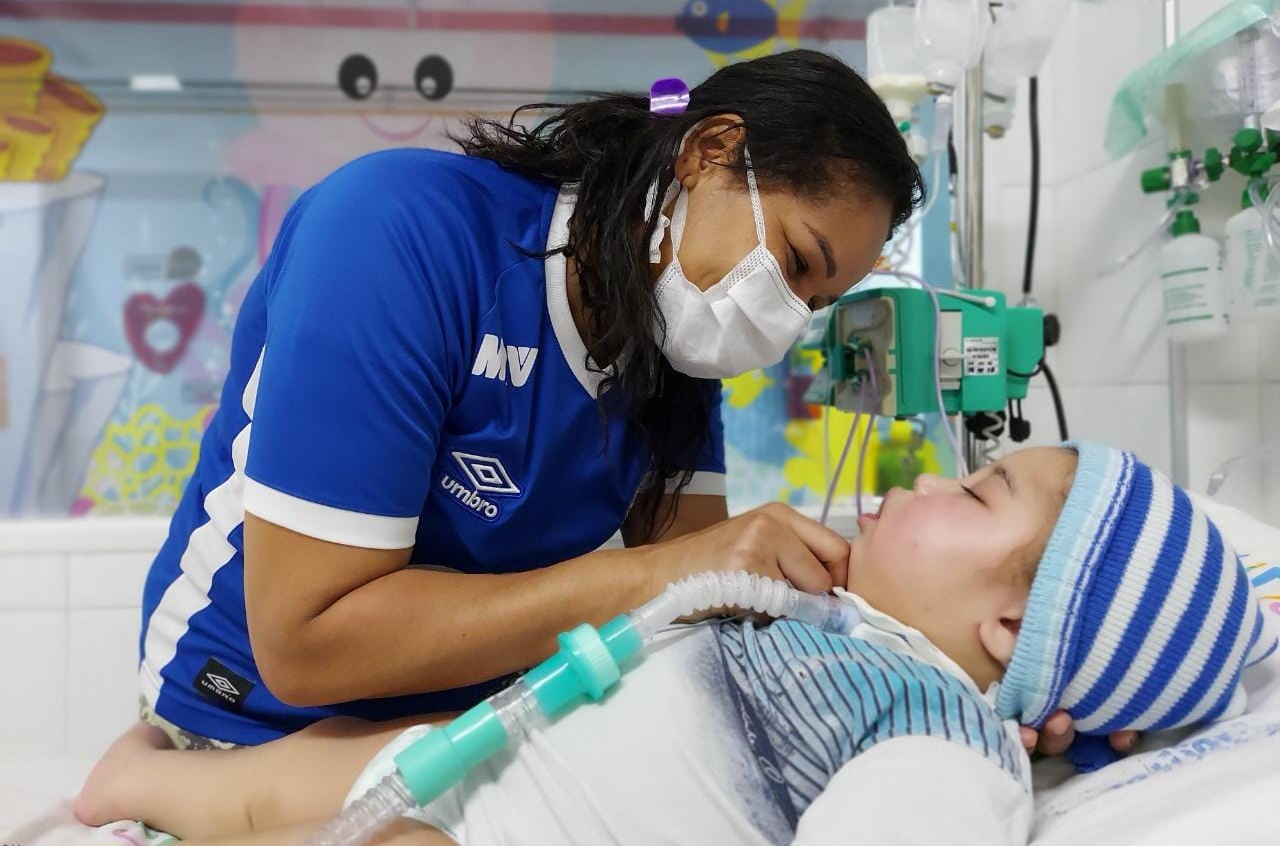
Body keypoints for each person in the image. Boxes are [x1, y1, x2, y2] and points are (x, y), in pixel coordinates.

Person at [128, 48, 923, 753]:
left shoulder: (670, 347)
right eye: (795, 260)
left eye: (814, 303)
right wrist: (672, 570)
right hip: (248, 715)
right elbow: (306, 645)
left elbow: (703, 608)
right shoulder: (398, 235)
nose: (782, 319)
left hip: (450, 729)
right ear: (708, 151)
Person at [76, 443, 1273, 845]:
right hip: (486, 761)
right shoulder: (826, 615)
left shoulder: (939, 736)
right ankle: (133, 786)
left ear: (1009, 628)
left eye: (970, 493)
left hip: (510, 829)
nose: (916, 482)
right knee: (312, 765)